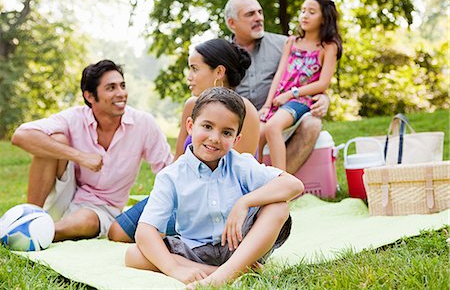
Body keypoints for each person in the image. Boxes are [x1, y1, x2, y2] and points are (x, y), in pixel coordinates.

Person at [124, 87, 303, 288]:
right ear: (190, 126)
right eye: (207, 126)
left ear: (236, 140)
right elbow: (145, 230)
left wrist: (245, 202)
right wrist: (174, 270)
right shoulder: (171, 176)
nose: (215, 138)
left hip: (241, 245)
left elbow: (294, 185)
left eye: (226, 132)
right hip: (195, 252)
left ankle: (222, 276)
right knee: (134, 254)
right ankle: (230, 272)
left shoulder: (240, 163)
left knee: (279, 207)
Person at [107, 38, 260, 243]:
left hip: (216, 203)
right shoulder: (192, 106)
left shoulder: (245, 111)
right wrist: (164, 196)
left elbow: (240, 177)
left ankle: (187, 244)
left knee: (150, 235)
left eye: (195, 69)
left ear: (219, 72)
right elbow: (178, 160)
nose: (189, 77)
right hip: (181, 193)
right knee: (117, 232)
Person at [11, 60, 172, 242]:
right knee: (53, 140)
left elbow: (167, 170)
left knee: (85, 220)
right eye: (111, 88)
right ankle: (30, 216)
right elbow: (21, 135)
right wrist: (80, 157)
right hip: (67, 193)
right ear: (90, 96)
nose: (121, 94)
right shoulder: (74, 117)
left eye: (122, 86)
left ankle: (34, 233)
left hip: (102, 208)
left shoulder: (144, 124)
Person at [224, 0, 331, 174]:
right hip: (241, 125)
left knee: (313, 124)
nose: (258, 18)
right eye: (250, 14)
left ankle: (279, 187)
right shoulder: (221, 55)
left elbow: (312, 76)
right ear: (231, 23)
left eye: (260, 12)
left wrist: (324, 98)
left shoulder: (286, 44)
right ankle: (251, 186)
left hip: (282, 116)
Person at [257, 0, 343, 170]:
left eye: (311, 12)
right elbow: (280, 74)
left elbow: (322, 84)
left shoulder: (328, 47)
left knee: (273, 127)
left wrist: (291, 93)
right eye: (303, 11)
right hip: (278, 98)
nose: (304, 15)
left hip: (300, 100)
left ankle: (281, 181)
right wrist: (266, 105)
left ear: (323, 18)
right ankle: (254, 182)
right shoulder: (291, 42)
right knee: (257, 133)